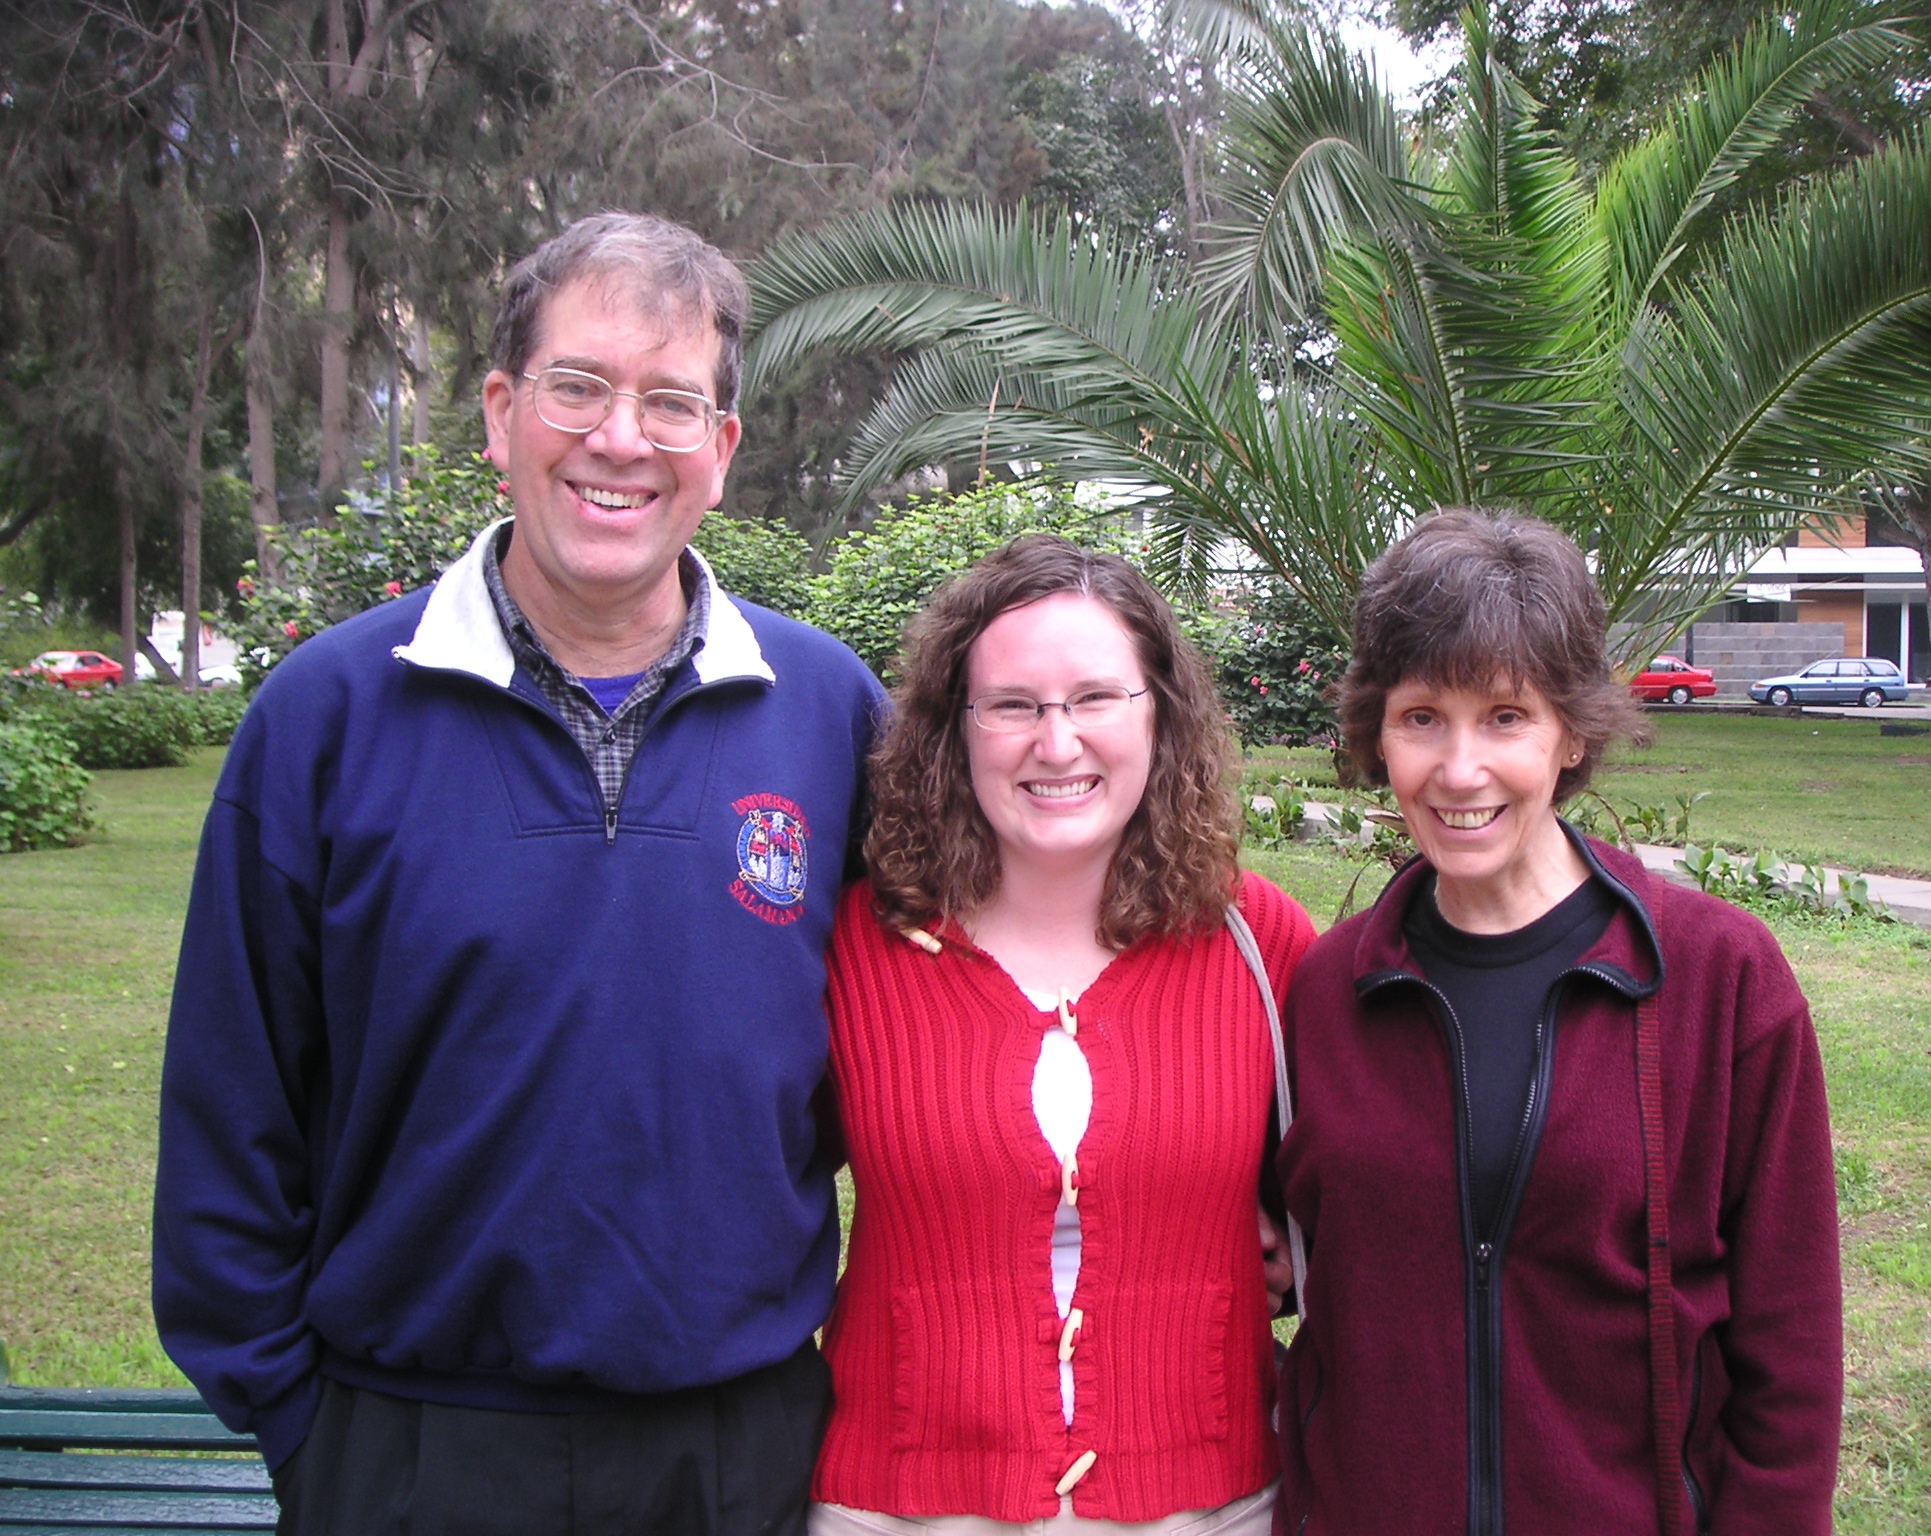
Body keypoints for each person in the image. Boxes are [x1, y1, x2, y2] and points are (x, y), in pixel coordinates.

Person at [153, 213, 886, 1535]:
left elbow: (941, 1043)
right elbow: (231, 1094)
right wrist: (303, 1428)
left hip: (735, 1458)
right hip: (407, 1456)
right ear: (500, 414)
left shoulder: (829, 713)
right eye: (578, 388)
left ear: (719, 451)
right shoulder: (326, 713)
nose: (620, 440)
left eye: (671, 403)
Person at [1273, 509, 1842, 1536]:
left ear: (1571, 728)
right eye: (1418, 718)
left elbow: (1789, 1339)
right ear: (1375, 729)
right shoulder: (1326, 991)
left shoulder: (1717, 979)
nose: (1456, 771)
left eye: (1504, 717)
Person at [809, 535, 1316, 1534]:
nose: (1055, 742)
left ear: (1157, 716)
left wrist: (1298, 1255)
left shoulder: (1259, 945)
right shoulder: (853, 955)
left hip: (1208, 1506)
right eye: (1012, 706)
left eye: (1093, 698)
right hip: (901, 1505)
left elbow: (1370, 1194)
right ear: (953, 729)